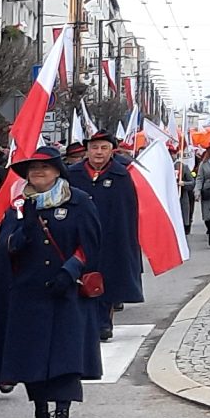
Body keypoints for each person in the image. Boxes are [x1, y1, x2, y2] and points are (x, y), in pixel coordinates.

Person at [0, 147, 104, 418]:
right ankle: (40, 412)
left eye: (45, 168)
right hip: (29, 295)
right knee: (32, 359)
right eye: (33, 169)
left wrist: (70, 270)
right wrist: (26, 228)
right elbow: (8, 247)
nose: (38, 173)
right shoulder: (20, 207)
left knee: (65, 357)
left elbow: (90, 244)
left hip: (66, 291)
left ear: (58, 171)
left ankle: (63, 415)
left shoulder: (79, 202)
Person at [65, 130, 142, 341]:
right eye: (94, 148)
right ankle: (81, 323)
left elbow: (127, 212)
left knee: (105, 281)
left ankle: (103, 324)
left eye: (103, 148)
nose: (98, 152)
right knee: (79, 279)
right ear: (87, 150)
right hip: (78, 236)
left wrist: (124, 241)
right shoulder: (73, 174)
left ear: (111, 151)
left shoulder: (121, 175)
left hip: (109, 237)